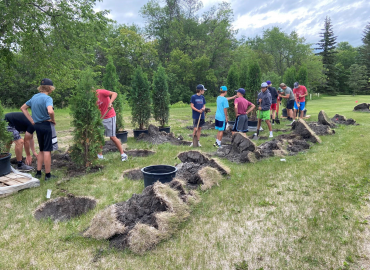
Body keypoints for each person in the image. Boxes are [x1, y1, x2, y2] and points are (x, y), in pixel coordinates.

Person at [21, 78, 58, 180]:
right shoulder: (47, 98)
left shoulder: (34, 97)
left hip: (37, 126)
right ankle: (48, 175)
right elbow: (50, 111)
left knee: (41, 149)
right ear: (50, 88)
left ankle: (38, 172)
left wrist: (32, 120)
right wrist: (52, 119)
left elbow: (23, 108)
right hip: (46, 126)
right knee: (47, 150)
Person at [96, 89, 128, 161]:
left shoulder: (100, 92)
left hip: (109, 116)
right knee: (99, 137)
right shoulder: (90, 99)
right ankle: (100, 155)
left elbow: (114, 93)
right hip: (100, 118)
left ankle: (123, 155)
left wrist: (110, 103)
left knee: (112, 137)